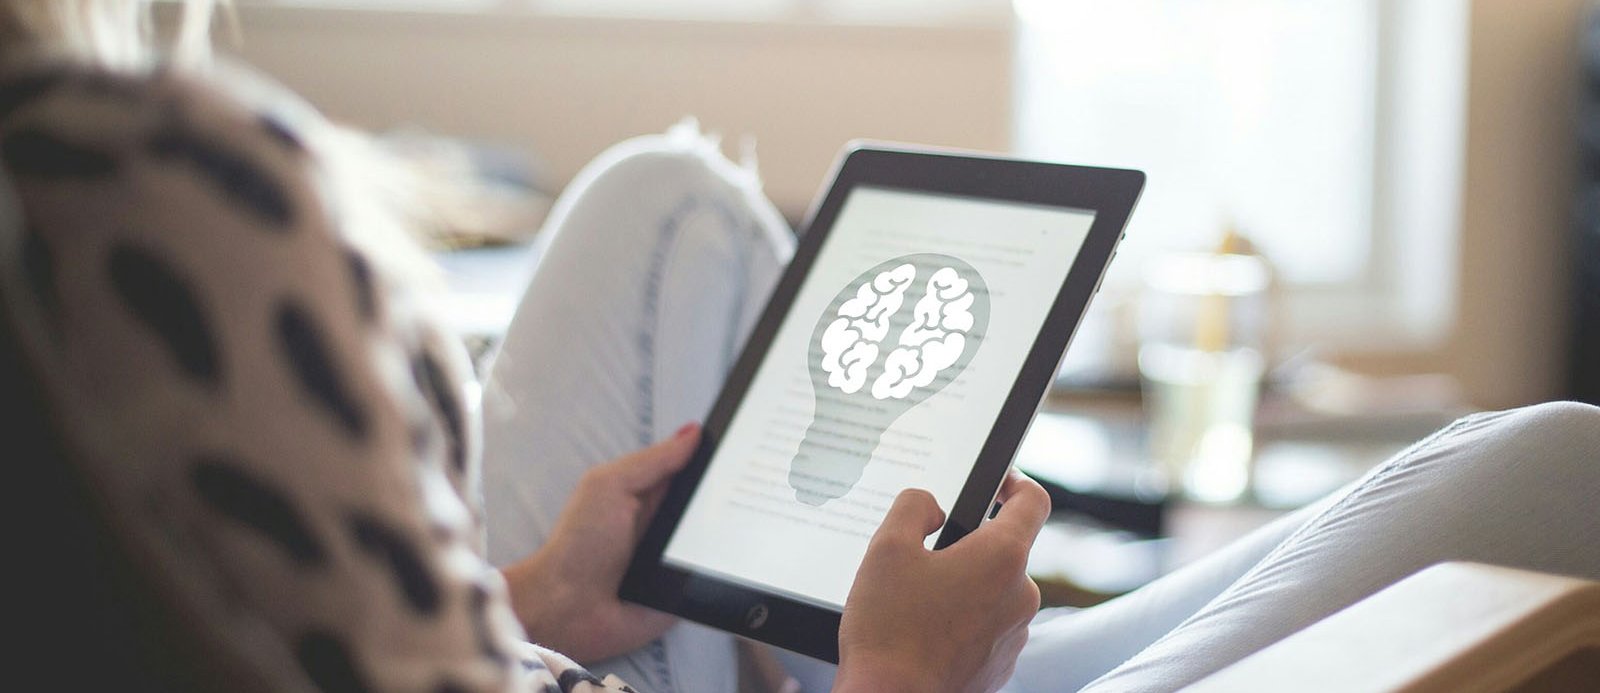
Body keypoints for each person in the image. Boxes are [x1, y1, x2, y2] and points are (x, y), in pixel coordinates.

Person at [2, 2, 1597, 691]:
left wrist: (548, 594)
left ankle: (835, 620)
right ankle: (903, 642)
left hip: (565, 648)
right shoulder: (137, 197)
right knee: (1563, 468)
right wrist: (896, 674)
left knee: (670, 200)